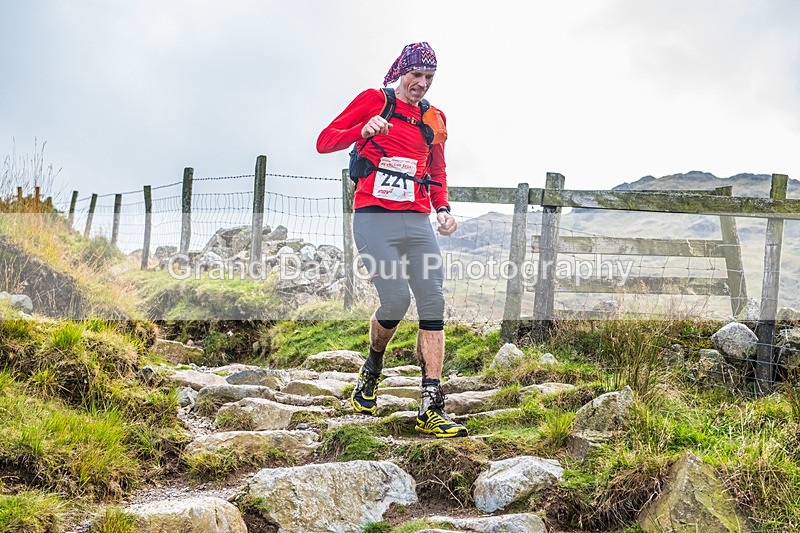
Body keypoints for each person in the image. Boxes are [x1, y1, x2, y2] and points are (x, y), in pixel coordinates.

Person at [316, 42, 467, 438]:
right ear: (402, 71)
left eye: (429, 78)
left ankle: (431, 403)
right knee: (396, 299)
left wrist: (443, 208)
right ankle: (373, 365)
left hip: (417, 220)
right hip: (373, 218)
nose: (421, 84)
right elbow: (325, 140)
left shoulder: (435, 118)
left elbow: (437, 169)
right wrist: (360, 129)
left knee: (433, 300)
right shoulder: (374, 100)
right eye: (416, 75)